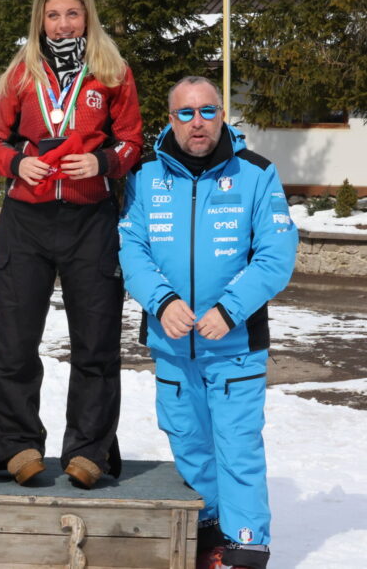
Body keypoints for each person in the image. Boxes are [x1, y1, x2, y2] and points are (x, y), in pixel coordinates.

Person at [119, 76, 296, 569]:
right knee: (189, 442)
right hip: (172, 343)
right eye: (185, 113)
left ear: (222, 115)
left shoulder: (256, 174)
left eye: (207, 111)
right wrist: (161, 300)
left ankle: (245, 545)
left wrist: (229, 309)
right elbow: (131, 249)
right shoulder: (146, 175)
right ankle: (206, 527)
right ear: (170, 119)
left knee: (236, 446)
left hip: (234, 345)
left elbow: (276, 255)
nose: (197, 123)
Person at [0, 0, 143, 488]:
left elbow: (133, 143)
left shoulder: (112, 73)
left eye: (72, 12)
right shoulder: (20, 75)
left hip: (89, 221)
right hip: (26, 222)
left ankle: (89, 450)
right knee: (14, 343)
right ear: (40, 20)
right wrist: (14, 163)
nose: (63, 22)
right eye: (53, 14)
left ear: (87, 16)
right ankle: (16, 446)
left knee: (95, 345)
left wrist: (102, 164)